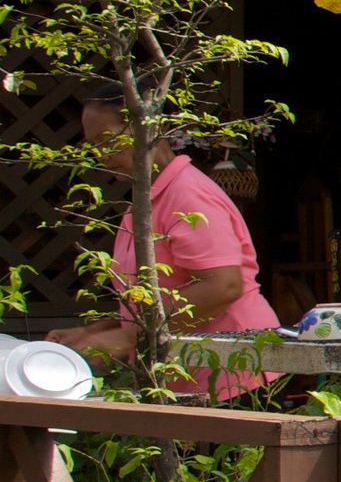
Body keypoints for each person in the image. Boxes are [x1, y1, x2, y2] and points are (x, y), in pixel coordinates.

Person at [45, 94, 278, 401]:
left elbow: (223, 286)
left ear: (149, 129)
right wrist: (93, 334)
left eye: (107, 140)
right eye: (93, 145)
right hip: (190, 377)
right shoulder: (145, 200)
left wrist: (127, 338)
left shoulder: (187, 194)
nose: (101, 154)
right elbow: (154, 296)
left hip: (235, 372)